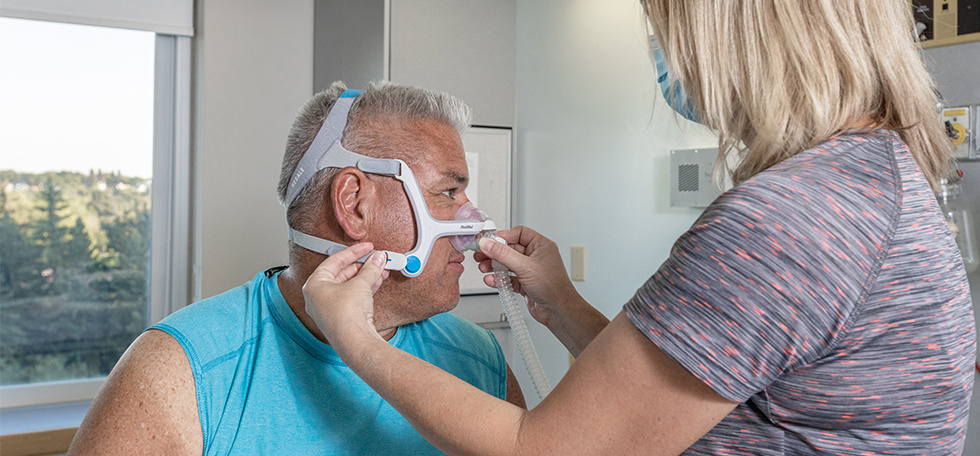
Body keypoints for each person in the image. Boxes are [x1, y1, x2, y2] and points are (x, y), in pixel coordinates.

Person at [302, 1, 976, 455]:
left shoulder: (790, 220)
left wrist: (354, 337)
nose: (663, 56)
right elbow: (677, 397)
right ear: (354, 202)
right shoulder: (871, 178)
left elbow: (547, 449)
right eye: (448, 193)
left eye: (666, 31)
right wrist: (560, 304)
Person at [68, 81, 526, 455]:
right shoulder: (181, 374)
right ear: (354, 204)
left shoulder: (480, 360)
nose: (476, 224)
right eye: (448, 193)